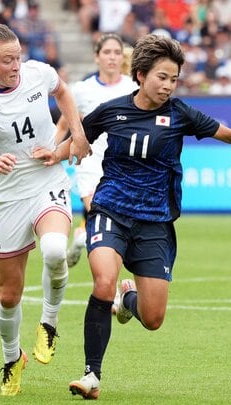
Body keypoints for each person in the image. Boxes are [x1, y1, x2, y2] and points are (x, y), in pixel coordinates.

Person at [63, 34, 231, 399]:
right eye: (161, 77)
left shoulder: (179, 114)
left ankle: (128, 299)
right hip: (110, 210)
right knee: (102, 281)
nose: (168, 85)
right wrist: (49, 156)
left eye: (173, 78)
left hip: (155, 223)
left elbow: (227, 133)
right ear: (140, 74)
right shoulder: (112, 110)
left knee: (152, 319)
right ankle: (91, 376)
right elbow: (76, 139)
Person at [0, 17, 91, 396]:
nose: (16, 67)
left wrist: (75, 136)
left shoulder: (36, 74)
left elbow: (64, 93)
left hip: (47, 181)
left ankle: (48, 324)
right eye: (6, 61)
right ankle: (12, 358)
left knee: (53, 250)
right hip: (7, 196)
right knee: (8, 295)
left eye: (18, 57)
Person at [54, 33, 138, 269]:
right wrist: (51, 153)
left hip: (124, 166)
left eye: (116, 52)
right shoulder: (81, 90)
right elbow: (63, 125)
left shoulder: (133, 88)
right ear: (96, 57)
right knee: (102, 218)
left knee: (114, 226)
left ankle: (82, 237)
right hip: (89, 163)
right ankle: (110, 291)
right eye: (107, 52)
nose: (112, 57)